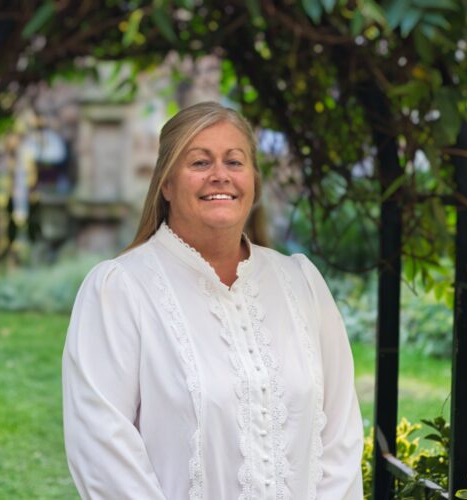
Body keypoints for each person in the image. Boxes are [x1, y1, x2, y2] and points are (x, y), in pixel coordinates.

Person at [62, 101, 364, 499]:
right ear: (166, 184)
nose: (220, 175)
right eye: (200, 162)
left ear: (253, 181)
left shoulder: (302, 283)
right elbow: (103, 449)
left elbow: (341, 438)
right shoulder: (120, 290)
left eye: (234, 162)